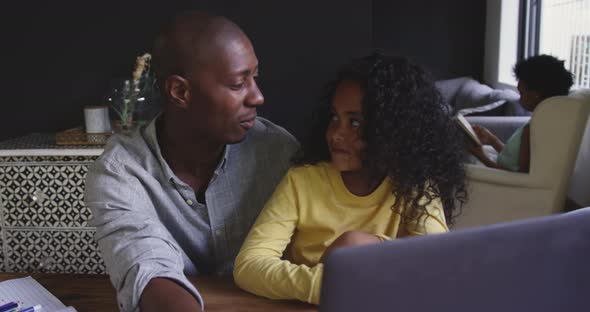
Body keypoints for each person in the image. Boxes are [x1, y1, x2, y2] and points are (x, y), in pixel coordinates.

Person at [84, 12, 298, 312]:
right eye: (238, 84)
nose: (258, 97)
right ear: (180, 91)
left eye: (255, 78)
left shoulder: (279, 153)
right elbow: (146, 268)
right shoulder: (120, 174)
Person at [233, 53, 468, 304]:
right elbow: (249, 265)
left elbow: (437, 264)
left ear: (393, 131)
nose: (335, 134)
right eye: (335, 117)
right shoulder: (303, 181)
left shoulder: (415, 185)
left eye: (354, 123)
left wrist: (366, 248)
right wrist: (326, 285)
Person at [467, 54, 574, 172]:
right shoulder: (547, 122)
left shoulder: (532, 130)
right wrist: (492, 140)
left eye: (521, 93)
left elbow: (518, 177)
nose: (519, 99)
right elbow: (512, 160)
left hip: (501, 182)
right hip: (502, 171)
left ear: (535, 94)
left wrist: (481, 156)